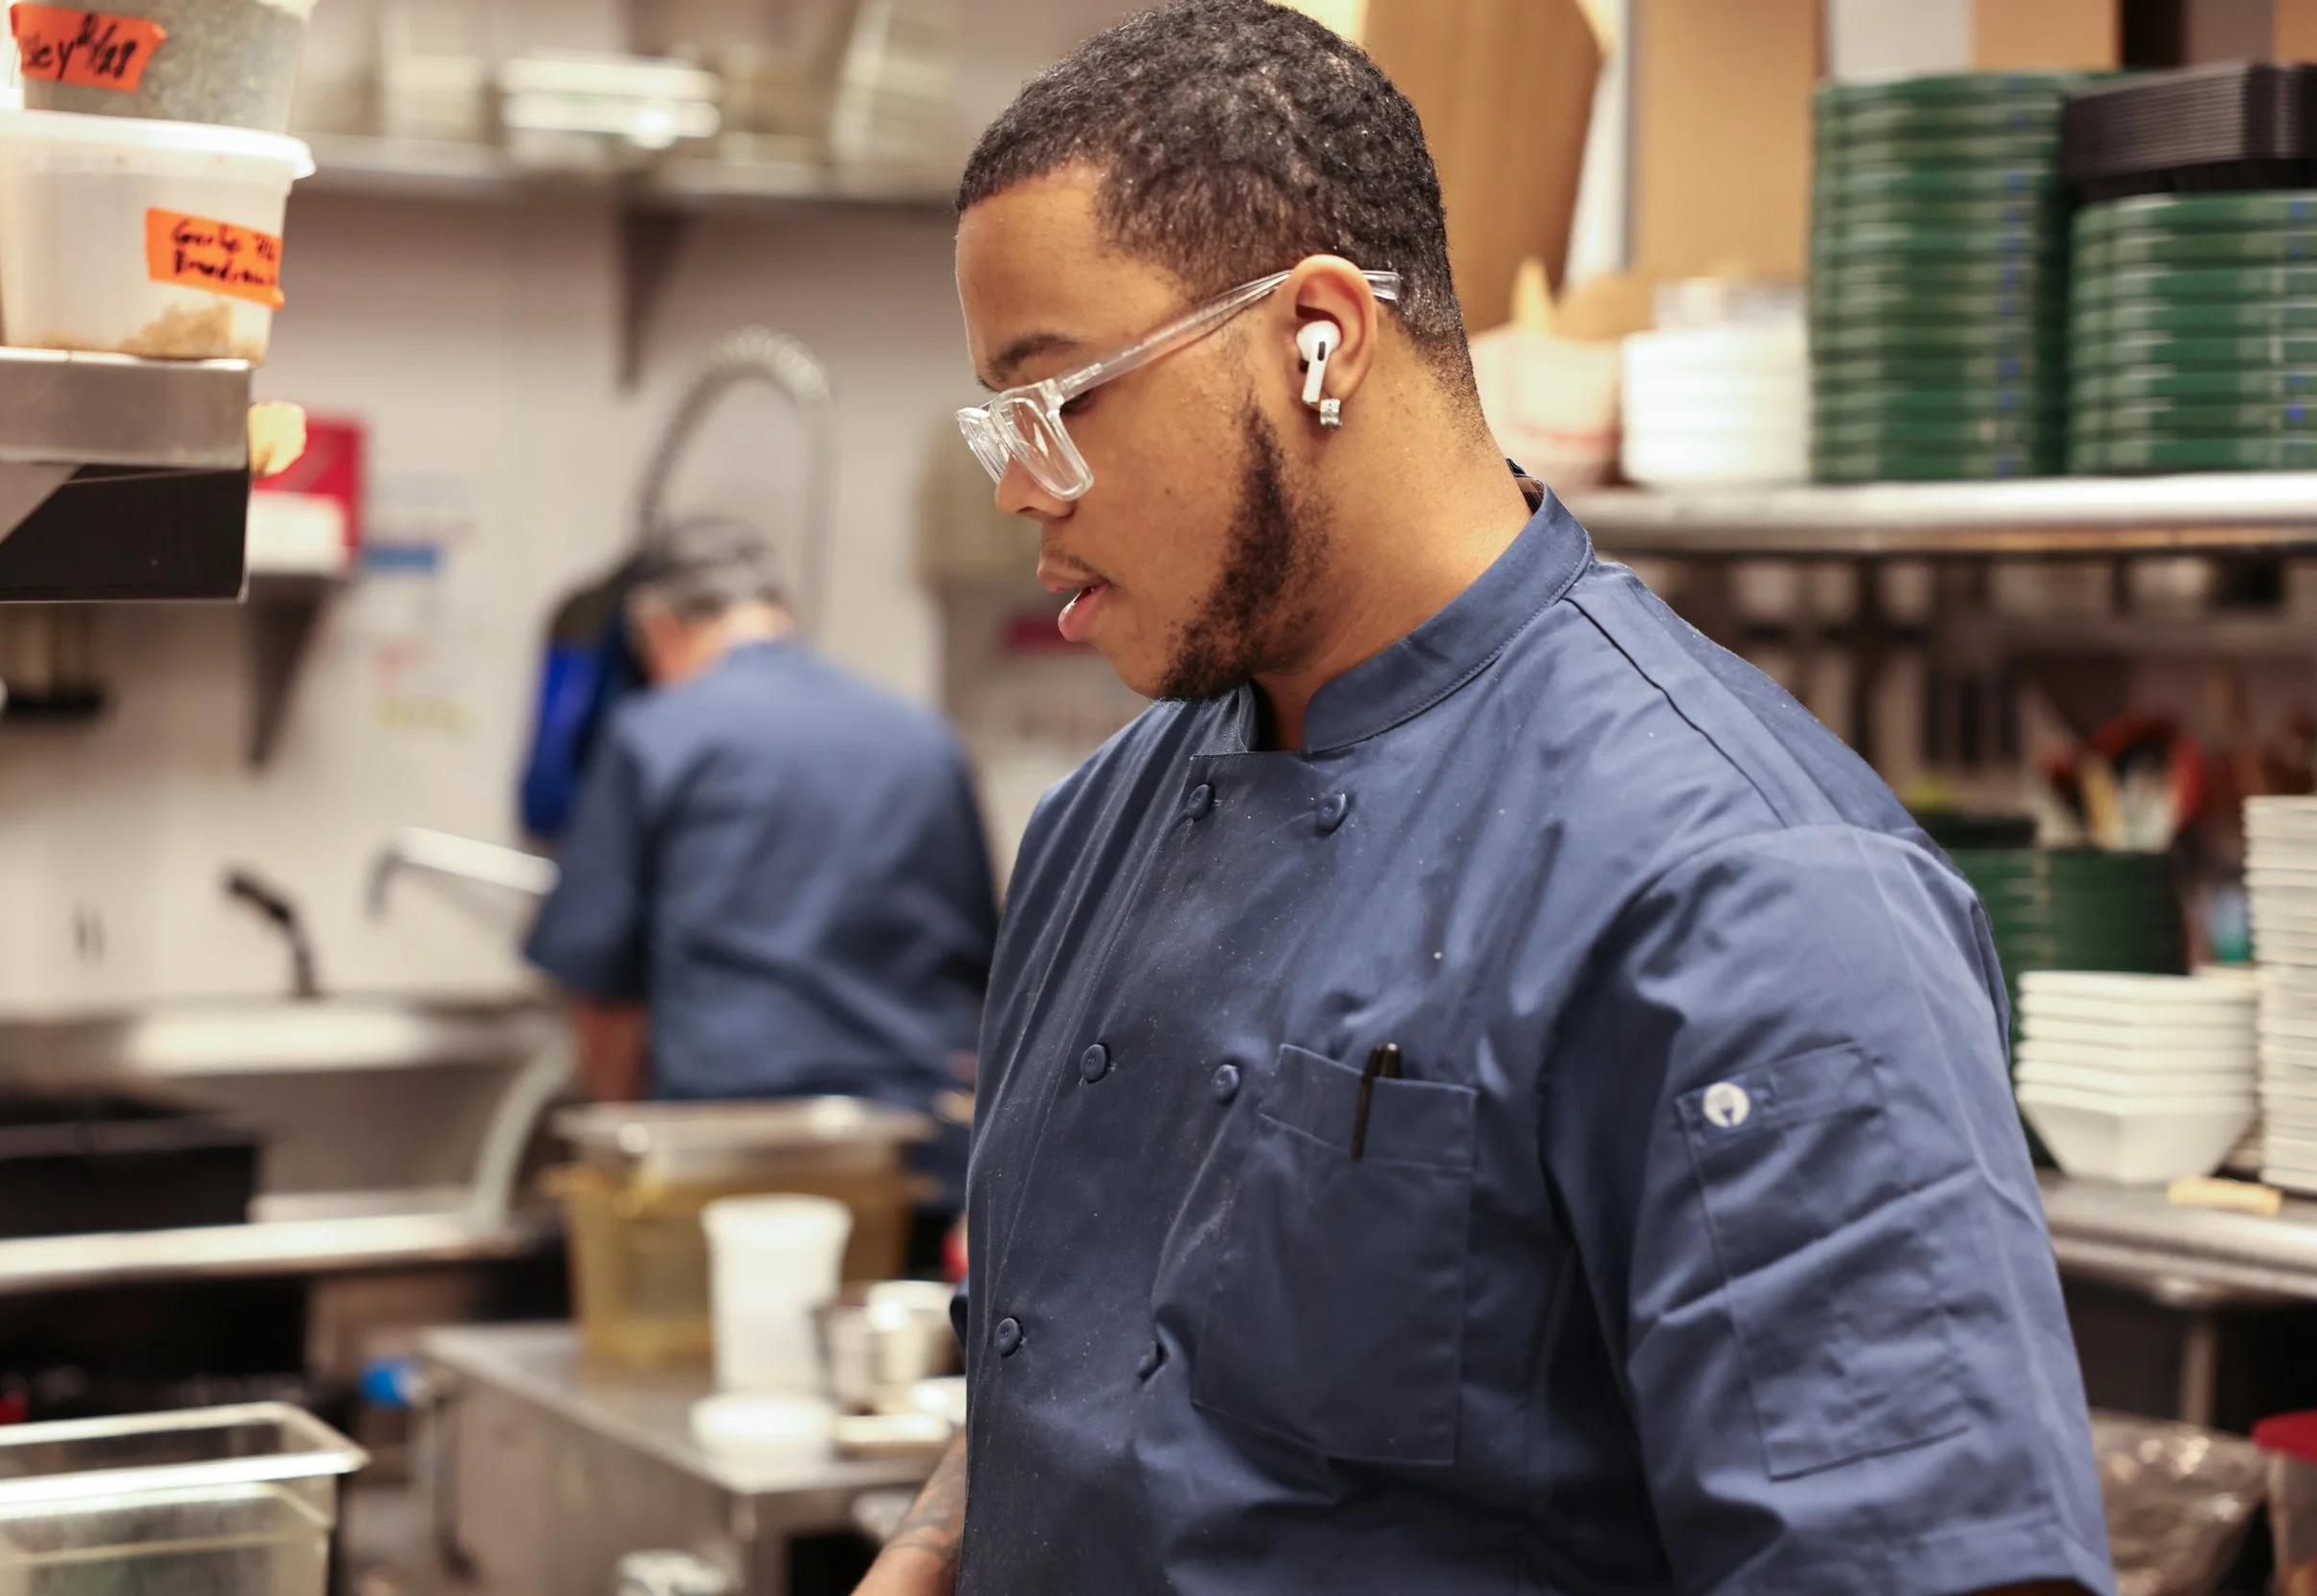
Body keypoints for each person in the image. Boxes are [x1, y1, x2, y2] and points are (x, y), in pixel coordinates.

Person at [856, 5, 2114, 1595]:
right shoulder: (1099, 824)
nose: (1017, 484)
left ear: (1320, 335)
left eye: (1056, 398)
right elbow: (1077, 1360)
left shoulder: (1746, 892)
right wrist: (931, 1546)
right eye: (995, 418)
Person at [524, 518, 998, 1122]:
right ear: (785, 614)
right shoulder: (924, 738)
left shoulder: (655, 736)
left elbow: (604, 994)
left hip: (734, 1141)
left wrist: (623, 1141)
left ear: (656, 627)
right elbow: (987, 961)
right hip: (915, 1135)